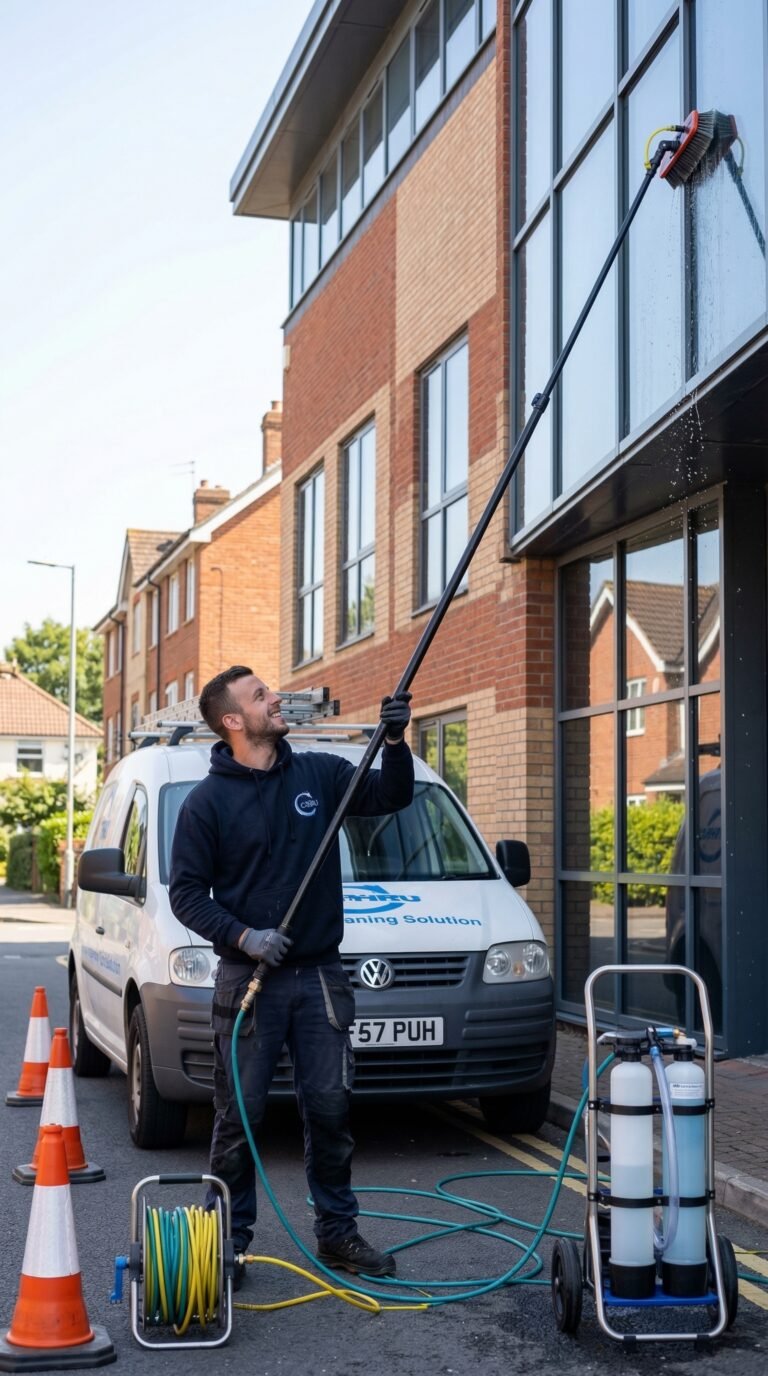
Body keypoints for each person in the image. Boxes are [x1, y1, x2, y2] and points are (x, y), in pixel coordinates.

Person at [169, 665, 414, 1280]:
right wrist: (245, 936)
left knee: (331, 1108)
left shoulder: (319, 773)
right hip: (247, 983)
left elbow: (391, 795)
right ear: (232, 721)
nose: (275, 699)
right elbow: (188, 896)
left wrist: (395, 743)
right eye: (260, 696)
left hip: (319, 977)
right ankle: (226, 1241)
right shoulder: (206, 803)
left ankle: (338, 1234)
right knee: (238, 1118)